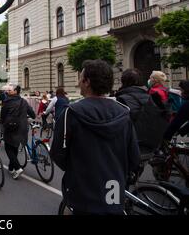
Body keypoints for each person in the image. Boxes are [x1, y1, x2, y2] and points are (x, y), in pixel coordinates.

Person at [50, 60, 140, 215]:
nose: (78, 82)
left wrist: (76, 169)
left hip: (82, 191)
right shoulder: (124, 113)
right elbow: (134, 157)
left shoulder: (70, 113)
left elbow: (57, 153)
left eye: (80, 77)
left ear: (87, 82)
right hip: (113, 189)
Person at [115, 69, 168, 155]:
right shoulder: (149, 96)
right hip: (153, 142)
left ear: (124, 81)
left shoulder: (122, 99)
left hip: (133, 146)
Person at [0, 84, 36, 179]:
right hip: (22, 128)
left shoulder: (7, 102)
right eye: (7, 90)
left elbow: (2, 115)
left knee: (8, 148)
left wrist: (3, 124)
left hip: (11, 127)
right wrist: (31, 117)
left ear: (16, 91)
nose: (7, 92)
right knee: (14, 146)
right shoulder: (23, 101)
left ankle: (18, 167)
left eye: (10, 90)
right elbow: (32, 114)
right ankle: (11, 168)